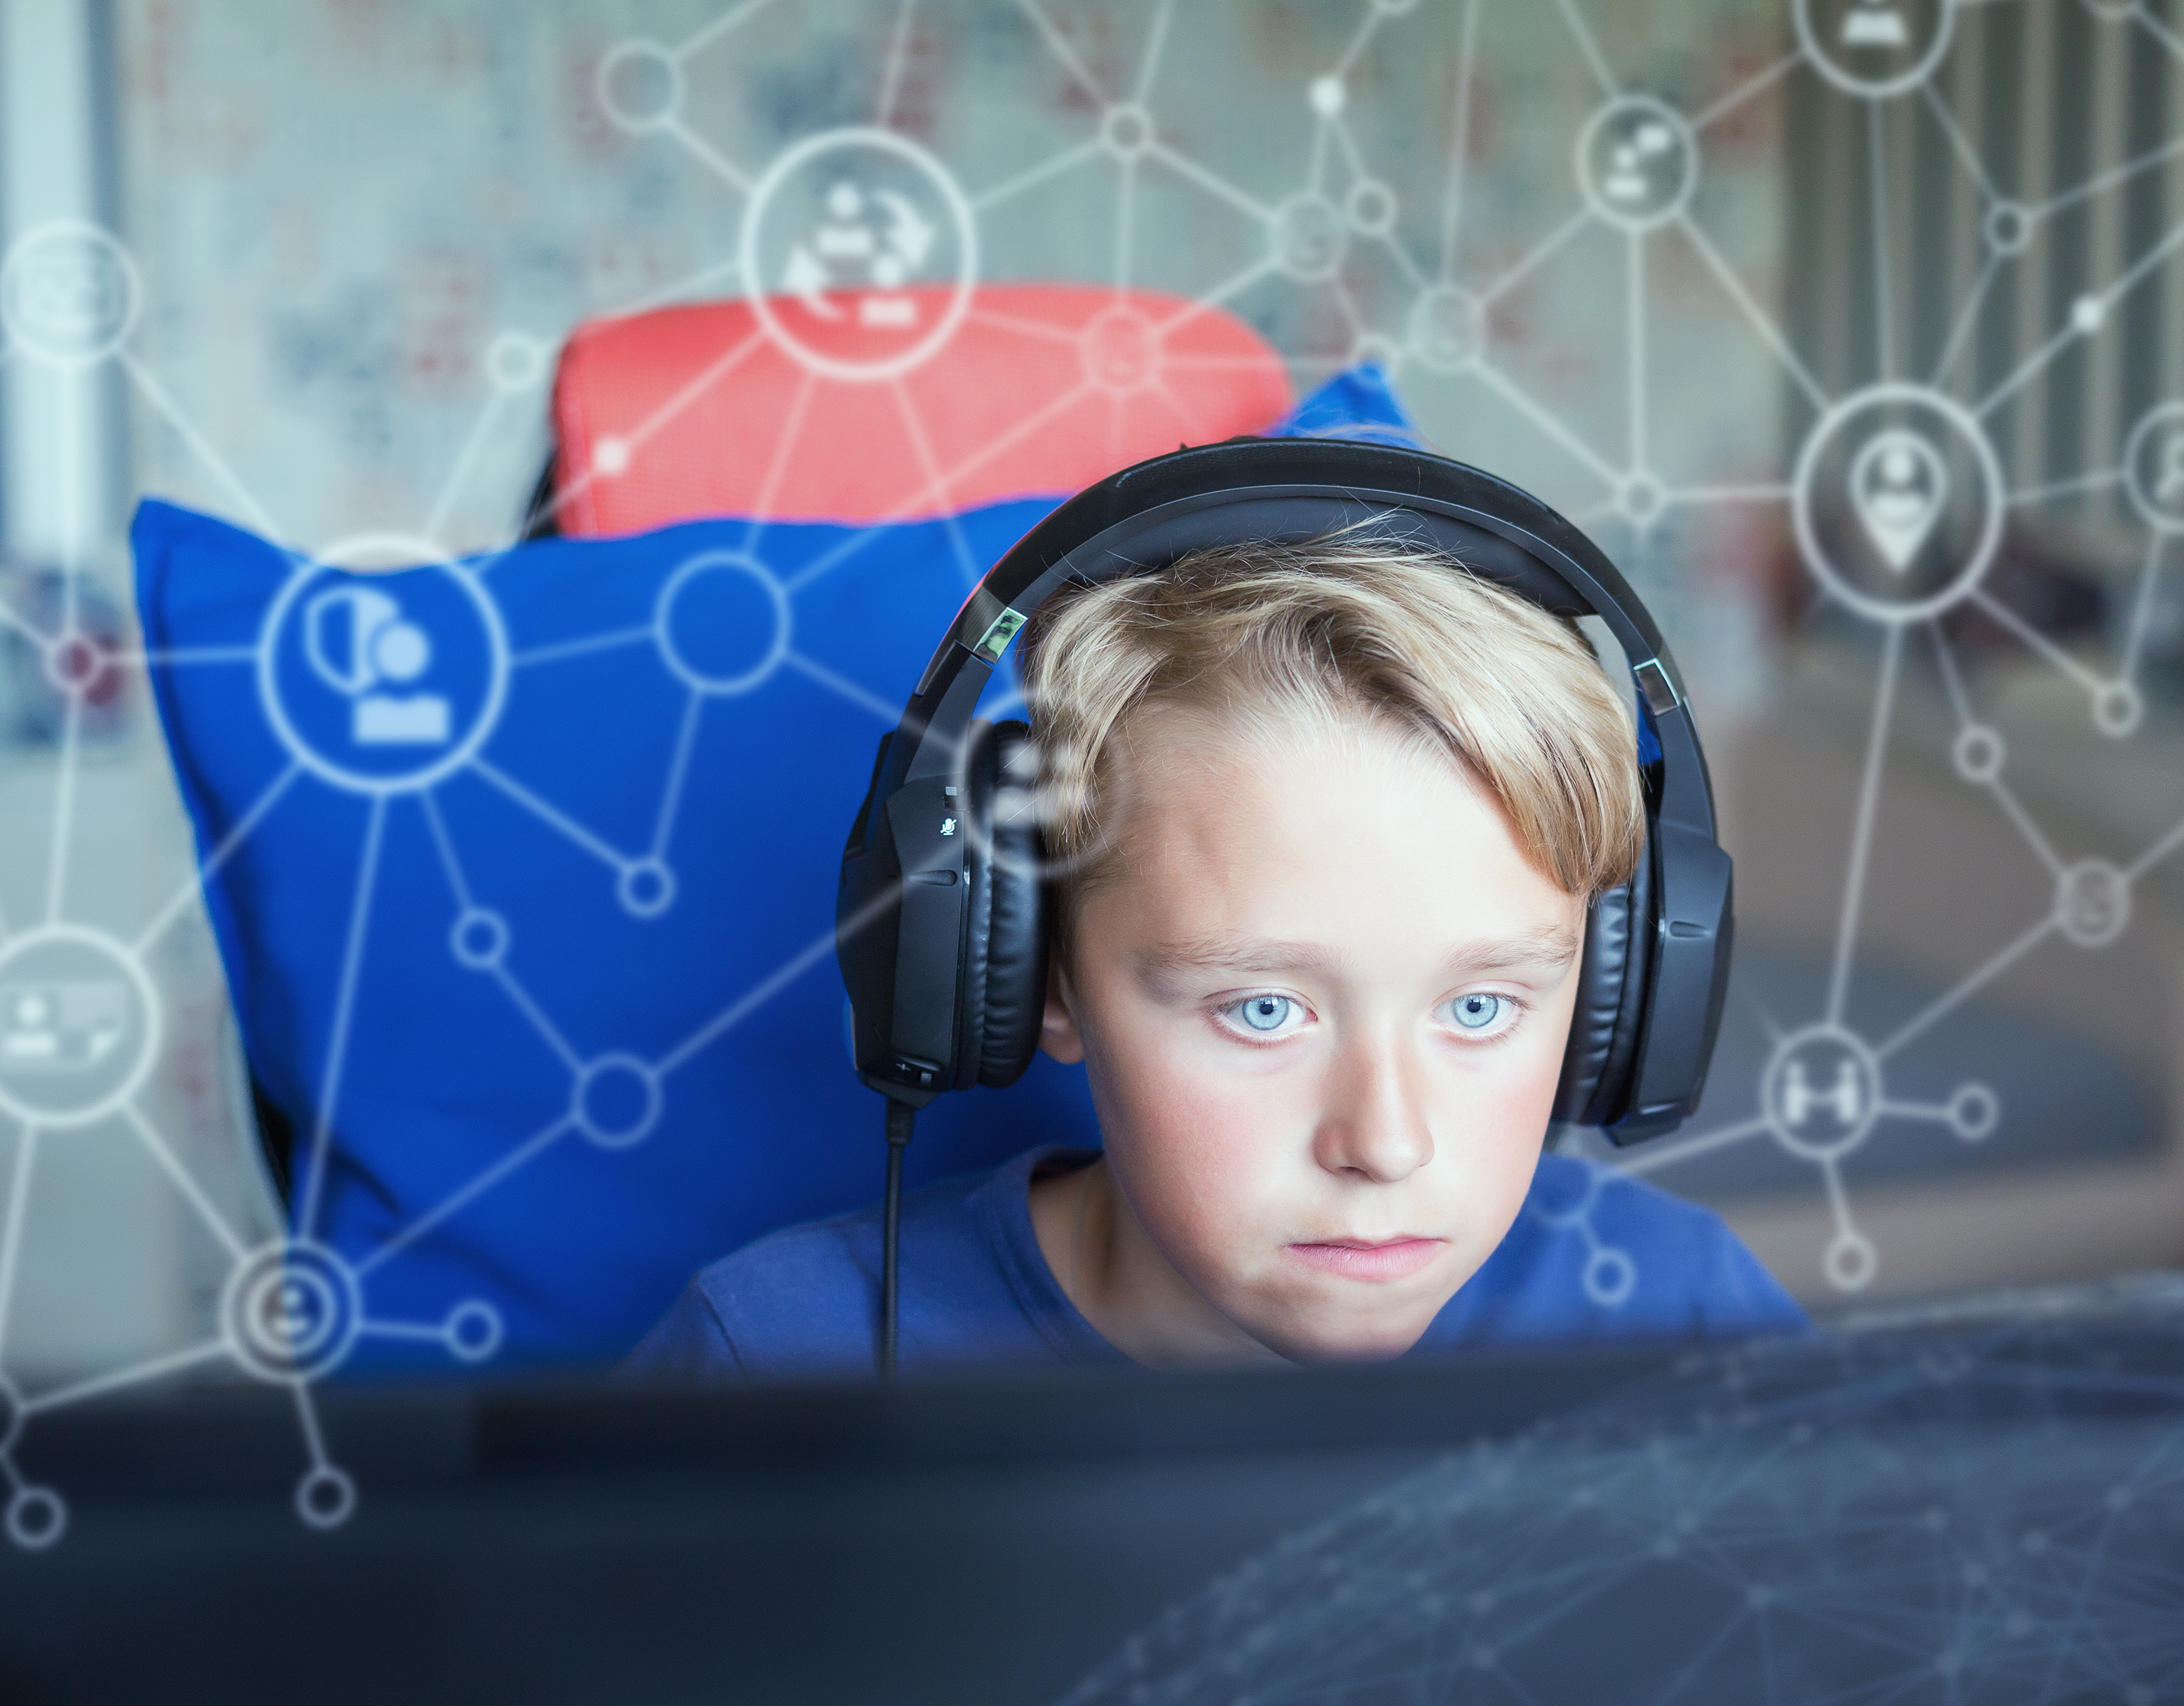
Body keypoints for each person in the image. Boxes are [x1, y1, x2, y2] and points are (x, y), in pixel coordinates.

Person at [629, 533, 1803, 1377]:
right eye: (1262, 1011)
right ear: (1038, 970)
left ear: (1619, 990)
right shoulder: (776, 1358)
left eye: (1483, 1007)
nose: (1385, 1143)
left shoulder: (1686, 1320)